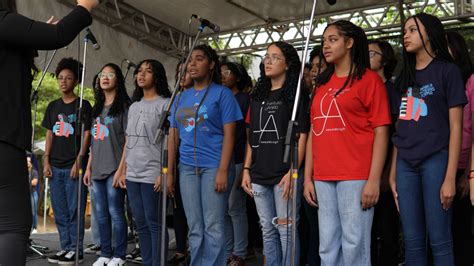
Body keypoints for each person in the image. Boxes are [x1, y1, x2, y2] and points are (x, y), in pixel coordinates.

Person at [0, 0, 97, 264]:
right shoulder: (4, 20)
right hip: (4, 139)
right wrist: (85, 7)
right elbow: (58, 35)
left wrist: (30, 39)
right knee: (12, 225)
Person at [304, 20, 391, 265]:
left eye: (333, 40)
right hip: (323, 175)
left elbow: (381, 131)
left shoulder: (369, 80)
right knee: (327, 244)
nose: (326, 46)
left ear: (350, 43)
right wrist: (308, 176)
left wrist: (374, 179)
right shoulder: (321, 84)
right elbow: (314, 130)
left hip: (355, 174)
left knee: (354, 243)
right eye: (324, 41)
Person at [389, 13, 467, 266]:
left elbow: (456, 127)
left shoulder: (448, 71)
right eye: (405, 31)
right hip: (405, 164)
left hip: (435, 160)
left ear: (429, 33)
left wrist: (449, 179)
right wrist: (392, 172)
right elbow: (401, 126)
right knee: (411, 242)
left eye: (412, 30)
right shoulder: (405, 77)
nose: (406, 35)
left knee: (440, 240)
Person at [168, 44, 242, 266]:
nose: (192, 64)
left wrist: (222, 170)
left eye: (199, 59)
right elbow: (173, 137)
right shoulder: (180, 98)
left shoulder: (223, 94)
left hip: (214, 167)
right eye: (190, 60)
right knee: (195, 227)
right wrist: (170, 172)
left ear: (211, 65)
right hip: (187, 168)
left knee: (213, 226)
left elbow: (230, 135)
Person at [241, 41, 310, 266]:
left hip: (284, 173)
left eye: (275, 57)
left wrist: (293, 171)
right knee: (268, 232)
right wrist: (246, 169)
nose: (268, 61)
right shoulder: (257, 95)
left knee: (286, 230)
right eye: (266, 57)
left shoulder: (296, 95)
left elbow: (302, 135)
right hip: (259, 173)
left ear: (288, 63)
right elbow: (253, 136)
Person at [117, 59, 171, 266]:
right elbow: (128, 141)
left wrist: (164, 172)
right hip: (133, 173)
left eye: (148, 71)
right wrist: (123, 170)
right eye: (139, 71)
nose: (142, 74)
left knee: (155, 222)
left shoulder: (165, 103)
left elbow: (170, 141)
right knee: (140, 223)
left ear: (157, 76)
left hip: (152, 172)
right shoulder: (134, 107)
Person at [42, 57, 92, 264]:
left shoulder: (83, 105)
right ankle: (66, 248)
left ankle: (76, 249)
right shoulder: (53, 106)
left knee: (74, 211)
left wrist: (79, 161)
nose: (63, 81)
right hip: (54, 167)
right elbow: (49, 135)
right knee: (60, 212)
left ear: (76, 81)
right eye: (60, 78)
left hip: (73, 166)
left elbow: (88, 134)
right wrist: (45, 161)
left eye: (68, 78)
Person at [84, 63, 131, 266]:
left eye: (110, 74)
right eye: (102, 74)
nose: (105, 77)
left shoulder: (125, 107)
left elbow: (129, 141)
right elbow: (94, 142)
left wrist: (122, 170)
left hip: (115, 168)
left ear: (117, 80)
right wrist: (88, 167)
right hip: (97, 169)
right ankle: (105, 252)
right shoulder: (96, 110)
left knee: (115, 212)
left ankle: (119, 255)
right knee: (101, 214)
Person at [367, 39, 401, 266]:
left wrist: (389, 172)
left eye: (372, 52)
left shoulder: (393, 91)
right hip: (364, 169)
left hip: (388, 169)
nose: (366, 56)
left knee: (387, 228)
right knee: (366, 230)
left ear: (385, 59)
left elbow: (397, 134)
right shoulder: (364, 87)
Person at [446, 30, 474, 266]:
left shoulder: (471, 81)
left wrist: (469, 175)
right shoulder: (440, 80)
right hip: (443, 165)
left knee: (463, 229)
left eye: (446, 46)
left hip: (466, 165)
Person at [221, 61, 252, 265]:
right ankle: (228, 250)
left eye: (227, 72)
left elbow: (248, 133)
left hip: (239, 158)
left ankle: (240, 251)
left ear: (238, 77)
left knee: (235, 207)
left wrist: (246, 167)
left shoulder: (244, 99)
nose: (223, 75)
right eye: (220, 72)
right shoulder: (220, 98)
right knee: (223, 207)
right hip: (221, 160)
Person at [167, 61, 192, 264]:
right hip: (180, 161)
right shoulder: (176, 100)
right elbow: (172, 136)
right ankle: (182, 248)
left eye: (186, 71)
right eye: (179, 71)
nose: (182, 74)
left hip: (202, 161)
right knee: (179, 207)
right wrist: (169, 169)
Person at [27, 154, 39, 232]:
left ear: (31, 163)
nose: (27, 163)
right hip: (26, 194)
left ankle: (34, 227)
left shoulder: (34, 172)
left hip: (33, 193)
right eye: (26, 161)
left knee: (33, 211)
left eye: (28, 161)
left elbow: (34, 183)